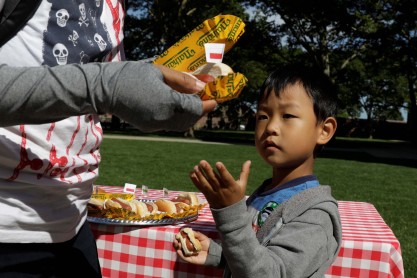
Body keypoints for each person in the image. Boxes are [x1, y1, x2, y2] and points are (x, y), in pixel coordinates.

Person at [0, 0, 216, 277]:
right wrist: (107, 86)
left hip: (74, 226)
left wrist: (151, 83)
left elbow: (98, 80)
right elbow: (100, 84)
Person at [174, 65, 342, 277]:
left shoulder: (315, 215)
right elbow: (256, 253)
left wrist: (231, 213)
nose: (271, 126)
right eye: (263, 116)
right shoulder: (266, 193)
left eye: (288, 115)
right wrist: (220, 254)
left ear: (324, 130)